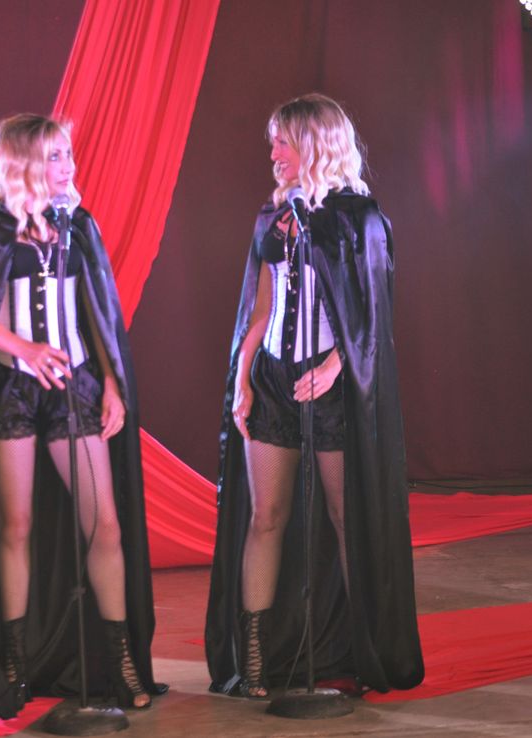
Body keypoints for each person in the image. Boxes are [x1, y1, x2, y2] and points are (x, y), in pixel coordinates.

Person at [204, 94, 424, 699]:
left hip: (333, 388)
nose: (273, 153)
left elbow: (373, 316)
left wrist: (333, 367)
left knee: (344, 518)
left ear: (315, 145)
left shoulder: (360, 217)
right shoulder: (273, 218)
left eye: (284, 141)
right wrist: (242, 380)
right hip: (273, 381)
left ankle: (364, 652)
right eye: (273, 142)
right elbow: (261, 310)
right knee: (266, 517)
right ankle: (253, 660)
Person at [0, 113, 162, 719]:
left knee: (106, 526)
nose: (68, 166)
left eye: (68, 154)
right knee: (15, 525)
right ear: (21, 163)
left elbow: (99, 312)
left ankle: (122, 662)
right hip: (12, 392)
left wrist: (113, 384)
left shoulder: (78, 226)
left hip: (76, 384)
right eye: (54, 156)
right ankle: (15, 662)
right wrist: (27, 349)